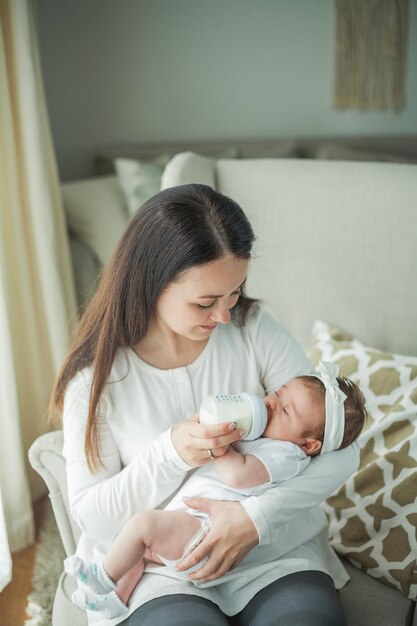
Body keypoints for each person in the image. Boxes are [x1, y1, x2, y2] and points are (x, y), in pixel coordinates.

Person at [51, 183, 360, 626]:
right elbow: (94, 519)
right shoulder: (96, 382)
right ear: (151, 284)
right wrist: (170, 453)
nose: (224, 316)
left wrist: (255, 519)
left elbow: (342, 446)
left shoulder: (253, 329)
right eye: (204, 302)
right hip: (159, 571)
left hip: (273, 554)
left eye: (234, 292)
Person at [63, 362, 366, 620]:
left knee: (143, 526)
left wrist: (221, 445)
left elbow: (238, 475)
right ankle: (114, 600)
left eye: (285, 410)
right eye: (276, 393)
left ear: (309, 444)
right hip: (191, 528)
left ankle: (102, 577)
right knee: (140, 551)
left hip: (206, 532)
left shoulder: (286, 454)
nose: (270, 403)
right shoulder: (272, 435)